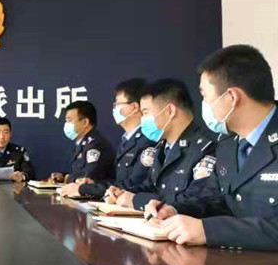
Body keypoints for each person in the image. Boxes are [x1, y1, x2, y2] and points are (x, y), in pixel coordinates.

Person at [145, 45, 278, 251]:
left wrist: (209, 230)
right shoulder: (227, 144)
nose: (204, 105)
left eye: (205, 96)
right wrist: (174, 210)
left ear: (232, 97)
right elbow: (219, 200)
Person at [106, 79, 220, 211]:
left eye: (146, 113)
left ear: (170, 111)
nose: (143, 120)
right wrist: (122, 193)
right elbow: (150, 186)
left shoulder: (205, 147)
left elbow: (194, 200)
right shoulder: (162, 147)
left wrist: (137, 200)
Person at [61, 79, 154, 198]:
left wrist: (85, 189)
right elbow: (117, 181)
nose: (114, 108)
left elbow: (134, 184)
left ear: (134, 107)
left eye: (118, 104)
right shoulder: (127, 140)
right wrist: (93, 183)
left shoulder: (148, 140)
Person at [50, 101, 115, 185]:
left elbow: (87, 179)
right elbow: (79, 174)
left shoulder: (95, 145)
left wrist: (67, 178)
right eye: (66, 121)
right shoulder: (82, 143)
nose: (66, 124)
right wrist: (63, 176)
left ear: (85, 122)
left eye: (69, 120)